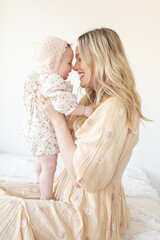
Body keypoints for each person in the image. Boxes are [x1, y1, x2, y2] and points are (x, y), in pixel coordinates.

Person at [0, 28, 150, 240]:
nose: (74, 67)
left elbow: (81, 177)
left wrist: (57, 118)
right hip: (69, 194)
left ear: (98, 59)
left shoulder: (114, 107)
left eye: (79, 59)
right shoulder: (91, 100)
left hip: (86, 213)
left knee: (7, 212)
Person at [23, 36, 94, 200]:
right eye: (69, 63)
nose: (72, 68)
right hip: (45, 134)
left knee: (41, 161)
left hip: (35, 131)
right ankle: (46, 197)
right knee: (50, 166)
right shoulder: (53, 81)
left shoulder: (43, 78)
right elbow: (62, 104)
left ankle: (37, 181)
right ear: (53, 63)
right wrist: (83, 110)